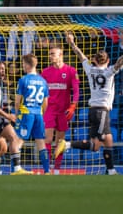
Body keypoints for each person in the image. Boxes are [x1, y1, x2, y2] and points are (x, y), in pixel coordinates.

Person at [55, 33, 123, 175]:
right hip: (101, 111)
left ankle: (110, 170)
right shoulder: (109, 71)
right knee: (95, 146)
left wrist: (72, 43)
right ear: (108, 60)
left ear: (94, 60)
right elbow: (120, 62)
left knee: (108, 139)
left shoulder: (90, 70)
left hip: (93, 110)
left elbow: (81, 56)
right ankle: (67, 144)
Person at [41, 46, 79, 175]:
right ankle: (47, 169)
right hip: (49, 109)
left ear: (60, 55)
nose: (50, 56)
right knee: (47, 139)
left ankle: (57, 169)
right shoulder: (45, 72)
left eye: (53, 54)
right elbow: (42, 92)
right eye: (50, 54)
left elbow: (76, 90)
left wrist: (73, 105)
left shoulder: (71, 70)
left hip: (63, 110)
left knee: (60, 141)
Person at [14, 54, 50, 175]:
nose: (22, 66)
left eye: (23, 64)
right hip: (38, 115)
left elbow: (17, 101)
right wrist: (41, 113)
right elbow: (46, 103)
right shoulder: (43, 81)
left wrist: (17, 114)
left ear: (28, 65)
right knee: (41, 143)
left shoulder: (23, 80)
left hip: (26, 113)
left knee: (18, 141)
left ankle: (17, 168)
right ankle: (47, 171)